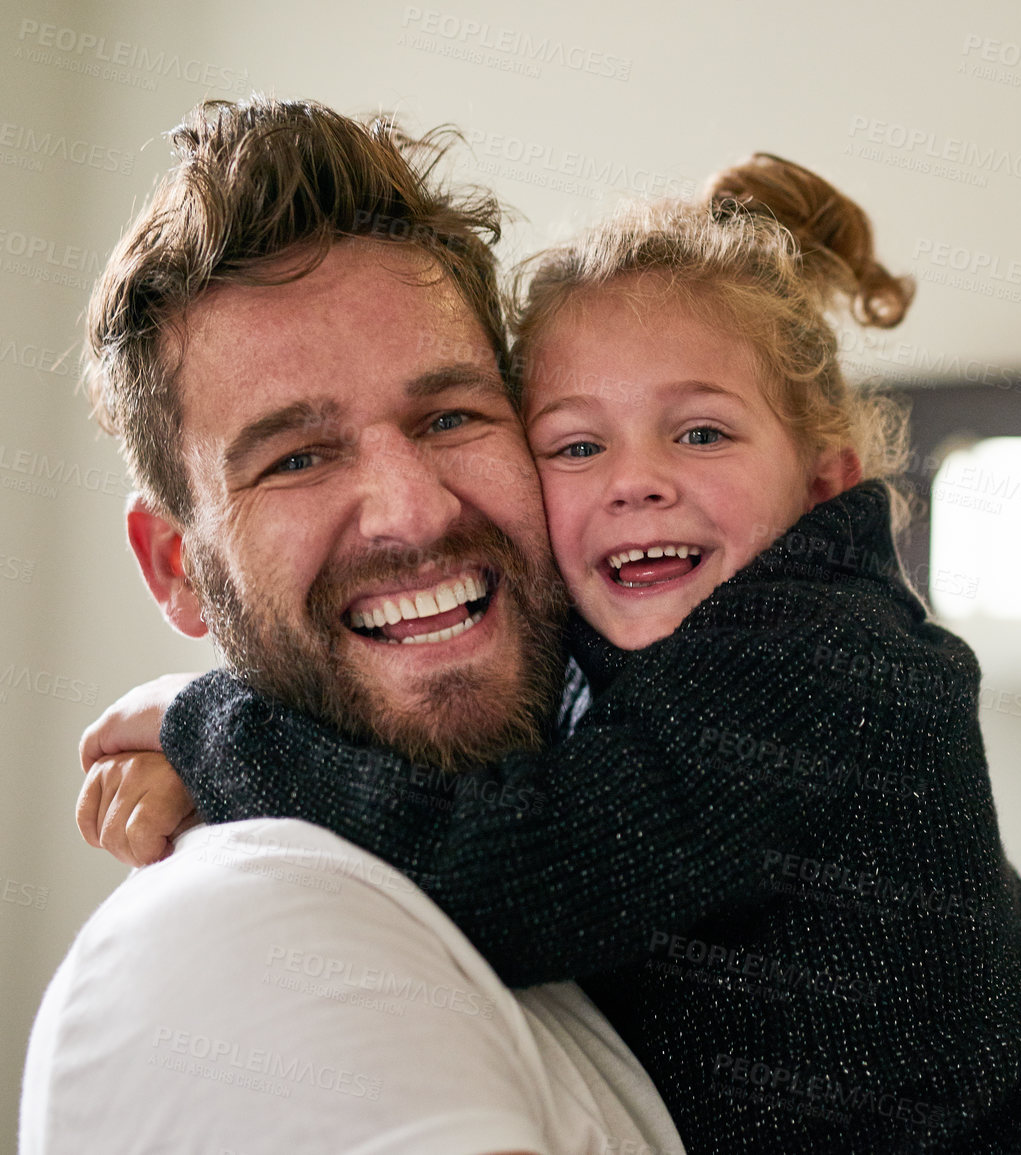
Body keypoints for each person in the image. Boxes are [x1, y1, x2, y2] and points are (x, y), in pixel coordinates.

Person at [77, 153, 1021, 1149]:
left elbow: (522, 865)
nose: (636, 483)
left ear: (825, 485)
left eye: (702, 434)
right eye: (576, 446)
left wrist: (218, 730)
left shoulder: (823, 661)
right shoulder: (206, 953)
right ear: (173, 564)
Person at [22, 98, 685, 1154]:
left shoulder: (607, 821)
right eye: (295, 458)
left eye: (452, 417)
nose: (415, 511)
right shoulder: (244, 950)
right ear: (176, 569)